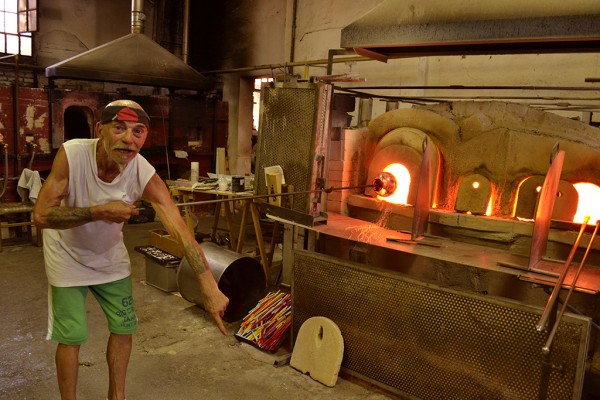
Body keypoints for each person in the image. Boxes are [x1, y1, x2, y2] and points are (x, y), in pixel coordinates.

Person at [33, 99, 229, 400]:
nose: (129, 139)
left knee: (124, 327)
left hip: (109, 257)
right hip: (67, 256)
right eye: (119, 128)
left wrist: (208, 285)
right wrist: (99, 211)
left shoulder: (142, 171)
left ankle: (117, 397)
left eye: (138, 131)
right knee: (71, 337)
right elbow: (41, 216)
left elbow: (179, 229)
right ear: (100, 130)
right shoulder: (73, 155)